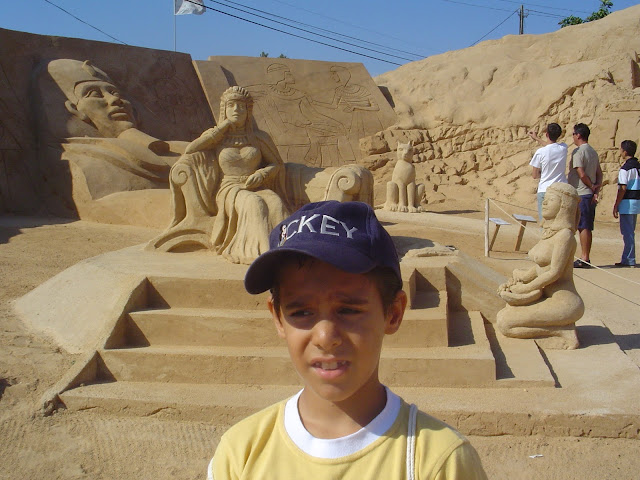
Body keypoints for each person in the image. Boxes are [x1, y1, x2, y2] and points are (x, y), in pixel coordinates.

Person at [207, 201, 488, 480]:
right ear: (278, 318)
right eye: (301, 312)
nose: (325, 338)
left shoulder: (439, 462)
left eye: (348, 310)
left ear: (393, 313)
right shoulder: (240, 454)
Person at [159, 86, 290, 263]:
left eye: (241, 106)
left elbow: (276, 163)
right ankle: (258, 252)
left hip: (255, 185)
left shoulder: (258, 138)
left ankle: (286, 249)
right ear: (224, 109)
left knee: (275, 202)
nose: (237, 110)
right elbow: (191, 149)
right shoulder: (217, 137)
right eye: (231, 105)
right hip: (229, 188)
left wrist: (262, 174)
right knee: (254, 203)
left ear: (248, 111)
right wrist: (223, 127)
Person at [497, 183, 584, 350]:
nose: (544, 203)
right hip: (546, 296)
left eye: (551, 200)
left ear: (564, 206)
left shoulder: (565, 236)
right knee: (503, 315)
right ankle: (559, 328)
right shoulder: (550, 233)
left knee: (505, 324)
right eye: (545, 199)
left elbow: (554, 272)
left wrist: (526, 288)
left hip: (565, 302)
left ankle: (562, 332)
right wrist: (523, 276)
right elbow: (540, 268)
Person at [567, 123, 603, 268]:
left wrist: (591, 186)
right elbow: (600, 174)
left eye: (573, 134)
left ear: (579, 135)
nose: (573, 137)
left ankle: (584, 258)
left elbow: (581, 173)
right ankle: (584, 256)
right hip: (588, 193)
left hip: (581, 193)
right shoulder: (593, 151)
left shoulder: (579, 152)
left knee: (583, 226)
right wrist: (596, 189)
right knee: (586, 225)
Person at [528, 123, 568, 221]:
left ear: (547, 134)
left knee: (545, 223)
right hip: (560, 189)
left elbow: (534, 175)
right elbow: (551, 147)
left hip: (545, 190)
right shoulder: (563, 148)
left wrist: (543, 172)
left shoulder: (540, 152)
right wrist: (537, 139)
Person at [612, 140, 640, 267]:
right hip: (636, 201)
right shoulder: (637, 166)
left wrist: (616, 204)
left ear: (625, 151)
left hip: (627, 203)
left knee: (627, 232)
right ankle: (628, 257)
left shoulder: (625, 169)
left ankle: (629, 259)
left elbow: (622, 188)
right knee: (630, 230)